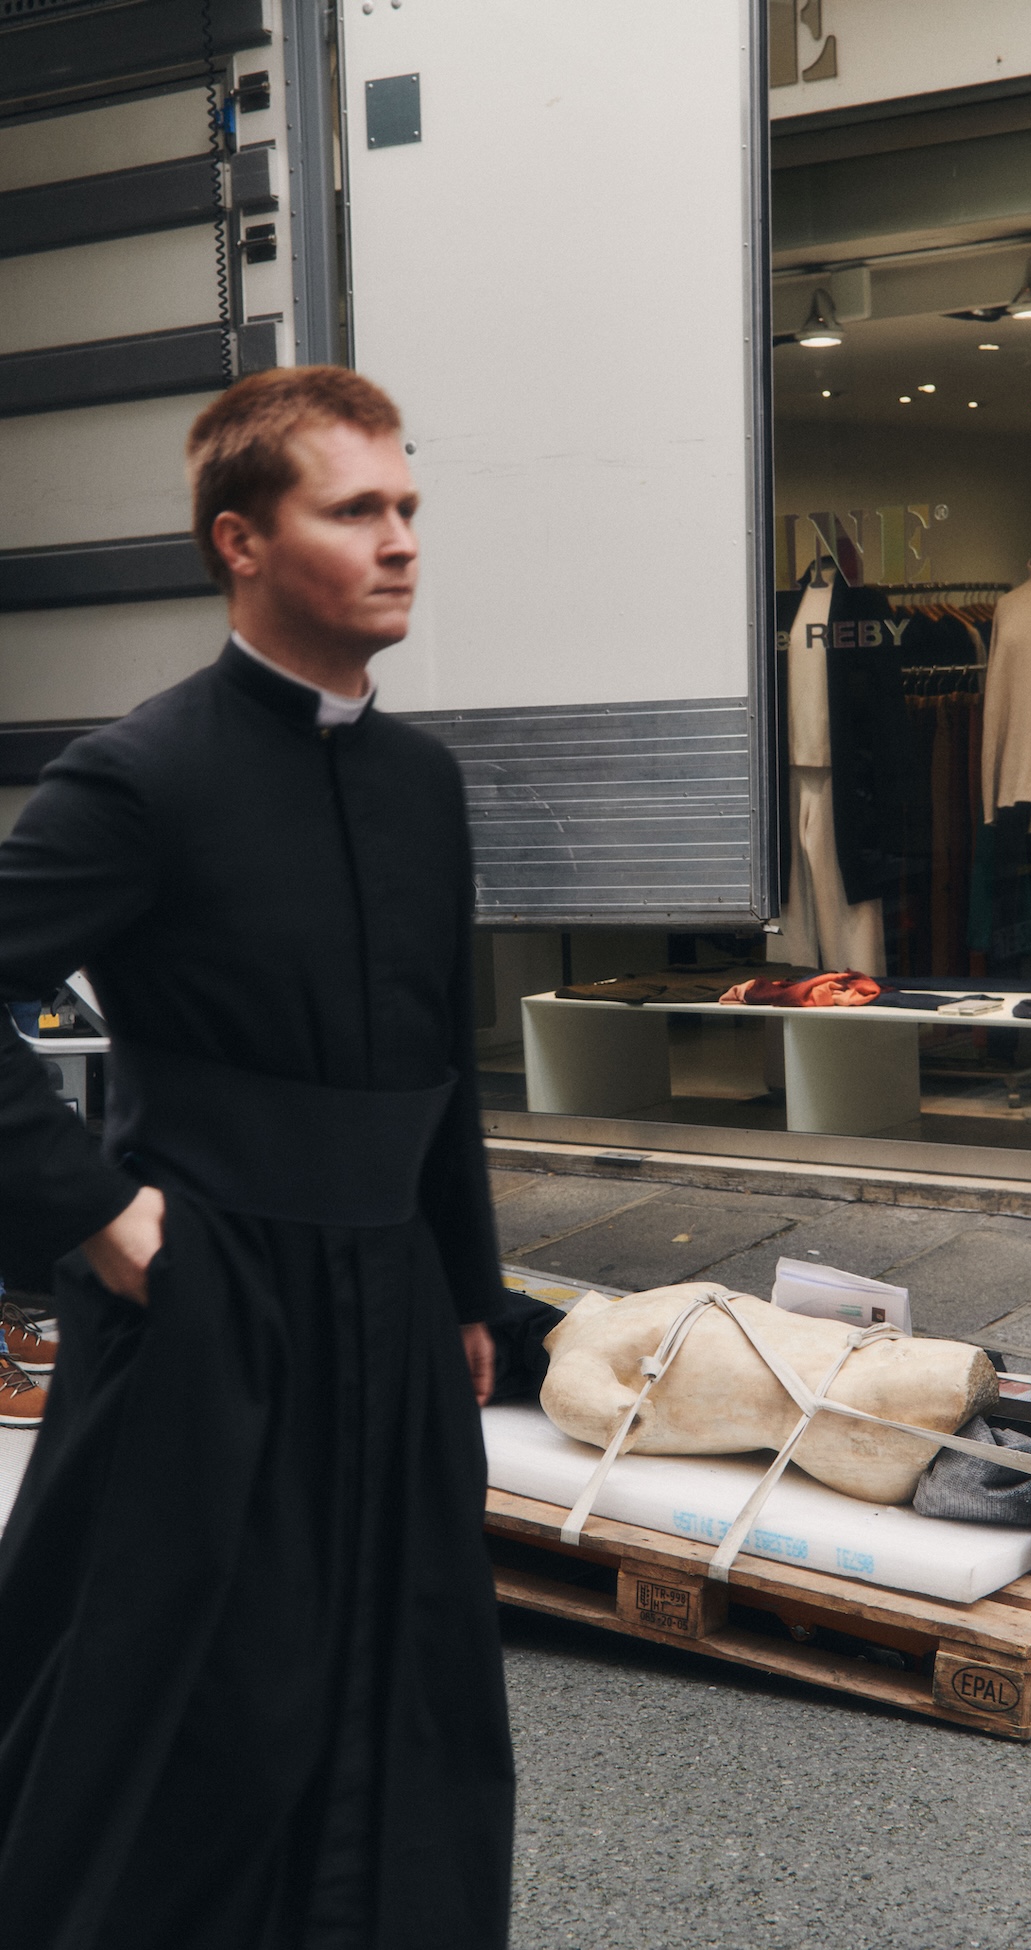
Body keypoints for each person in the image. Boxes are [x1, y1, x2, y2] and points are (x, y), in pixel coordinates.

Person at [0, 367, 515, 1949]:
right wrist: (98, 1214)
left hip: (393, 1303)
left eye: (407, 505)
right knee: (200, 1710)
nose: (402, 539)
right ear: (241, 540)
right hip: (206, 1308)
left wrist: (467, 1288)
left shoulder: (426, 784)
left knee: (408, 1692)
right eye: (355, 509)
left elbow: (439, 1061)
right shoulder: (140, 776)